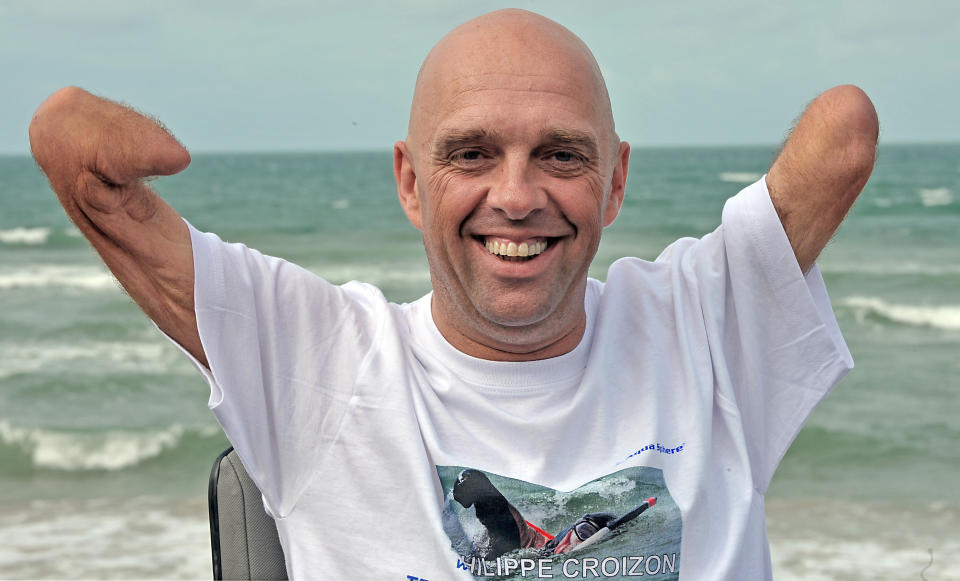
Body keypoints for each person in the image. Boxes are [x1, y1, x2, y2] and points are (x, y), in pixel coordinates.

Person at [28, 8, 878, 580]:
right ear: (409, 181)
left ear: (615, 183)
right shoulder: (320, 356)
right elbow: (70, 139)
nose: (516, 196)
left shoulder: (704, 328)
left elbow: (844, 130)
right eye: (470, 154)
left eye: (561, 155)